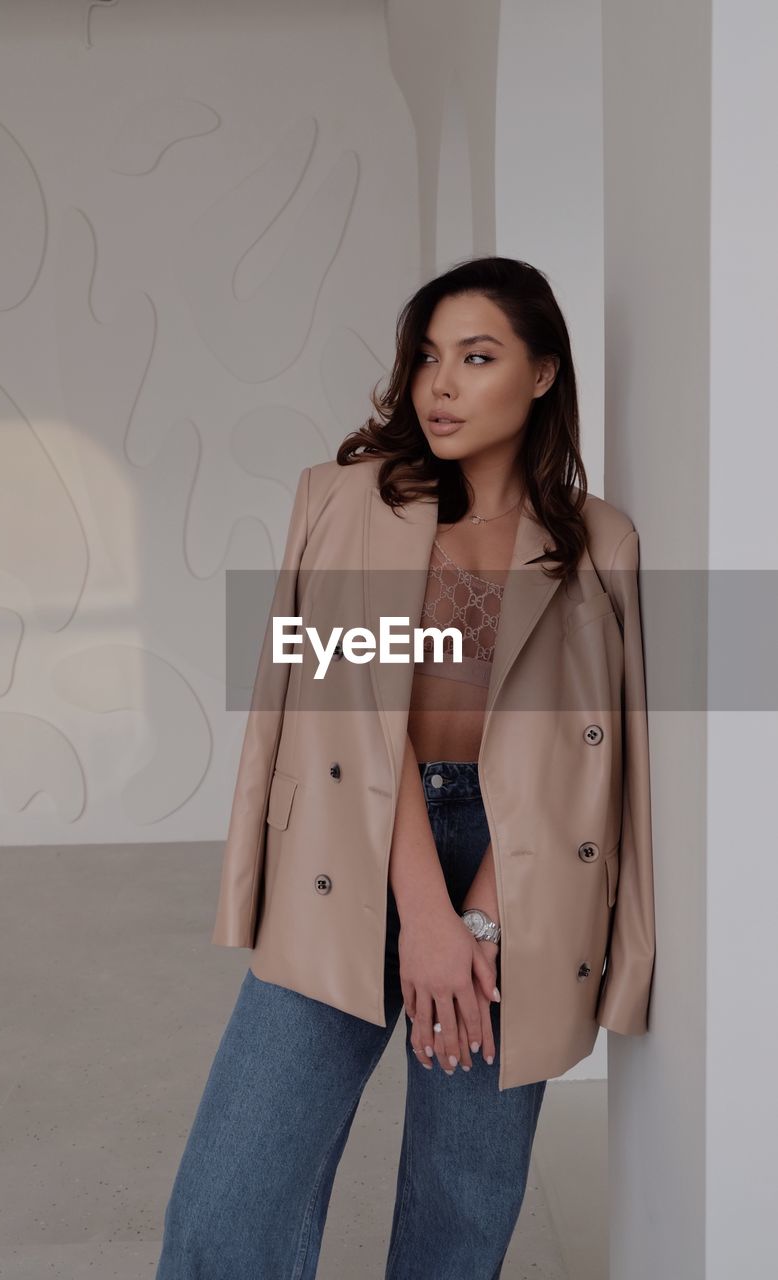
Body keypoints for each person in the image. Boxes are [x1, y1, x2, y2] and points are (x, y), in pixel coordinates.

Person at [155, 256, 656, 1279]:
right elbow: (332, 715)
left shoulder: (598, 542)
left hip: (516, 882)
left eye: (477, 357)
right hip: (361, 840)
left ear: (545, 373)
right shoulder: (344, 504)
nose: (440, 384)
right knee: (233, 1192)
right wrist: (427, 916)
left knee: (461, 1208)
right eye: (428, 356)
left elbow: (591, 757)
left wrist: (480, 918)